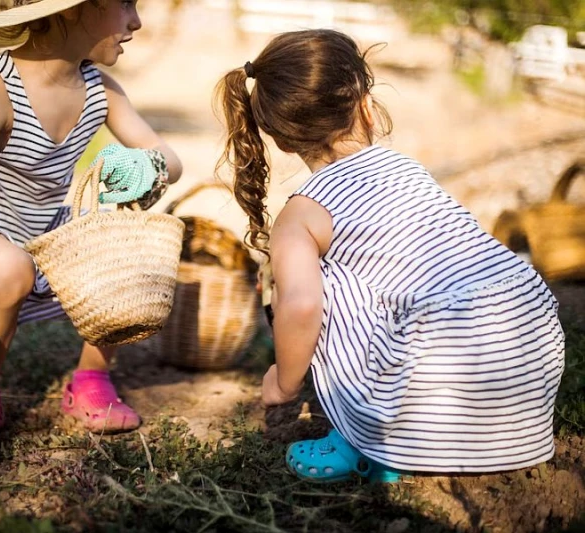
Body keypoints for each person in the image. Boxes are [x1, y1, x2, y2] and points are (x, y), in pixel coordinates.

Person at [216, 29, 564, 483]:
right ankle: (438, 440)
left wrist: (284, 380)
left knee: (319, 279)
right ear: (365, 105)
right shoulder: (408, 169)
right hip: (525, 380)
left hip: (440, 386)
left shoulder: (302, 214)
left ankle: (371, 442)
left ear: (282, 140)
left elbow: (301, 306)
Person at [0, 0, 182, 456]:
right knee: (12, 269)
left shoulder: (100, 91)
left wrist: (144, 165)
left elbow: (171, 160)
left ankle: (91, 378)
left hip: (43, 230)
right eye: (125, 3)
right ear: (72, 9)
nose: (137, 20)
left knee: (124, 251)